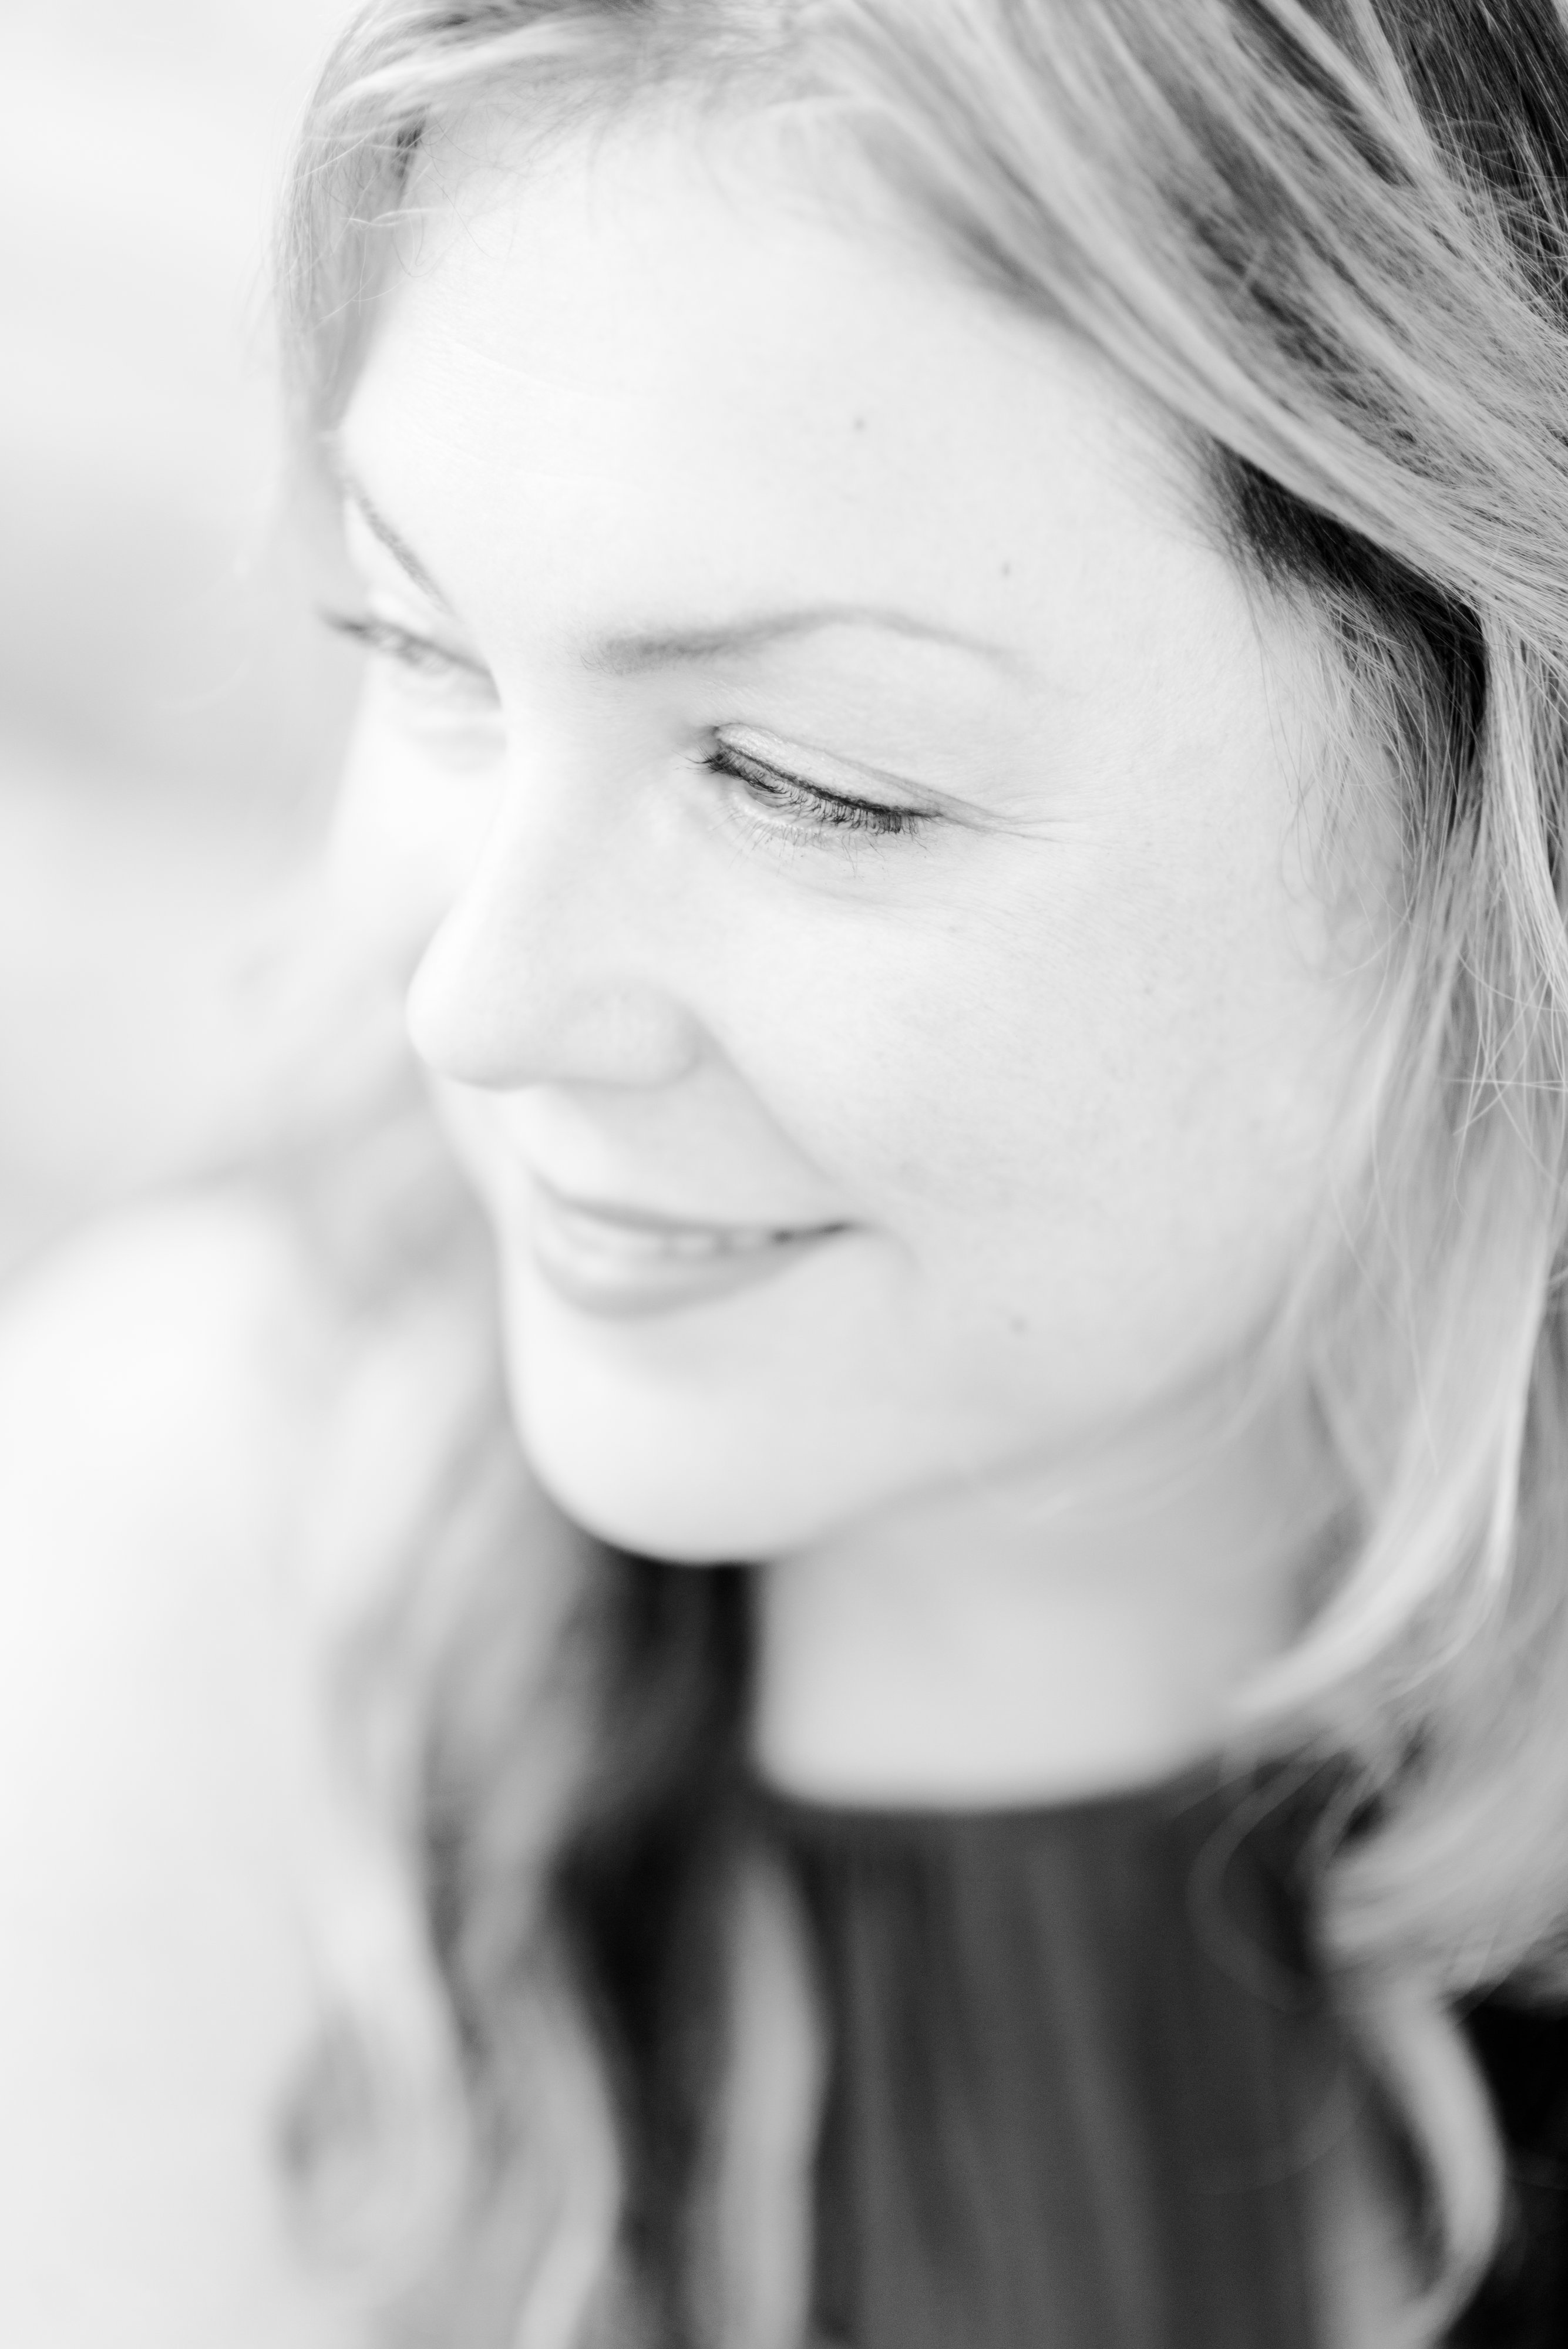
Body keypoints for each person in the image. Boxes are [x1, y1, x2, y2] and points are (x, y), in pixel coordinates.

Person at [6, 0, 1568, 2342]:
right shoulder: (168, 1612)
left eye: (806, 780)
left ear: (1503, 805)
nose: (471, 1007)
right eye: (422, 646)